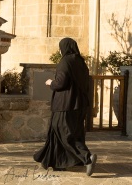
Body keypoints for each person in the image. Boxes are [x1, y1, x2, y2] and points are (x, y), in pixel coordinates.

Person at [33, 37, 97, 176]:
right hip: (79, 105)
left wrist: (51, 82)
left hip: (65, 105)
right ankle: (61, 161)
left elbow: (61, 83)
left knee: (63, 132)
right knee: (75, 133)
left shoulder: (65, 61)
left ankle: (87, 158)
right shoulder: (80, 62)